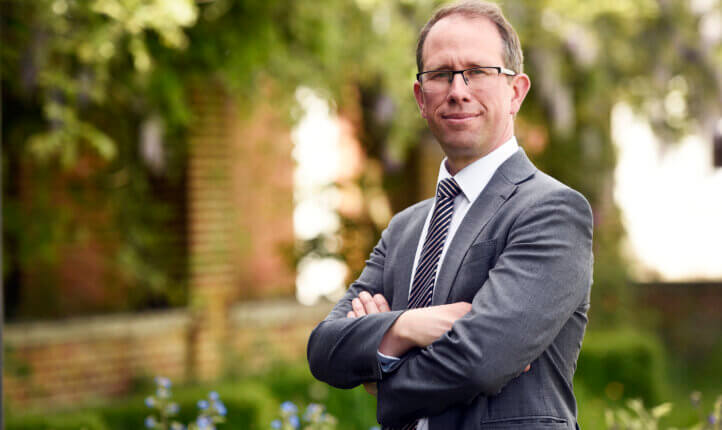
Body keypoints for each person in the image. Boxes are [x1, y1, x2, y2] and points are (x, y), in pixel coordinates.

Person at [307, 1, 593, 429]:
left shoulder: (550, 211)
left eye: (477, 71)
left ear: (515, 91)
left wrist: (380, 370)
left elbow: (482, 360)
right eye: (441, 74)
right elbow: (325, 349)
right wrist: (408, 326)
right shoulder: (405, 228)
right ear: (422, 99)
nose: (458, 90)